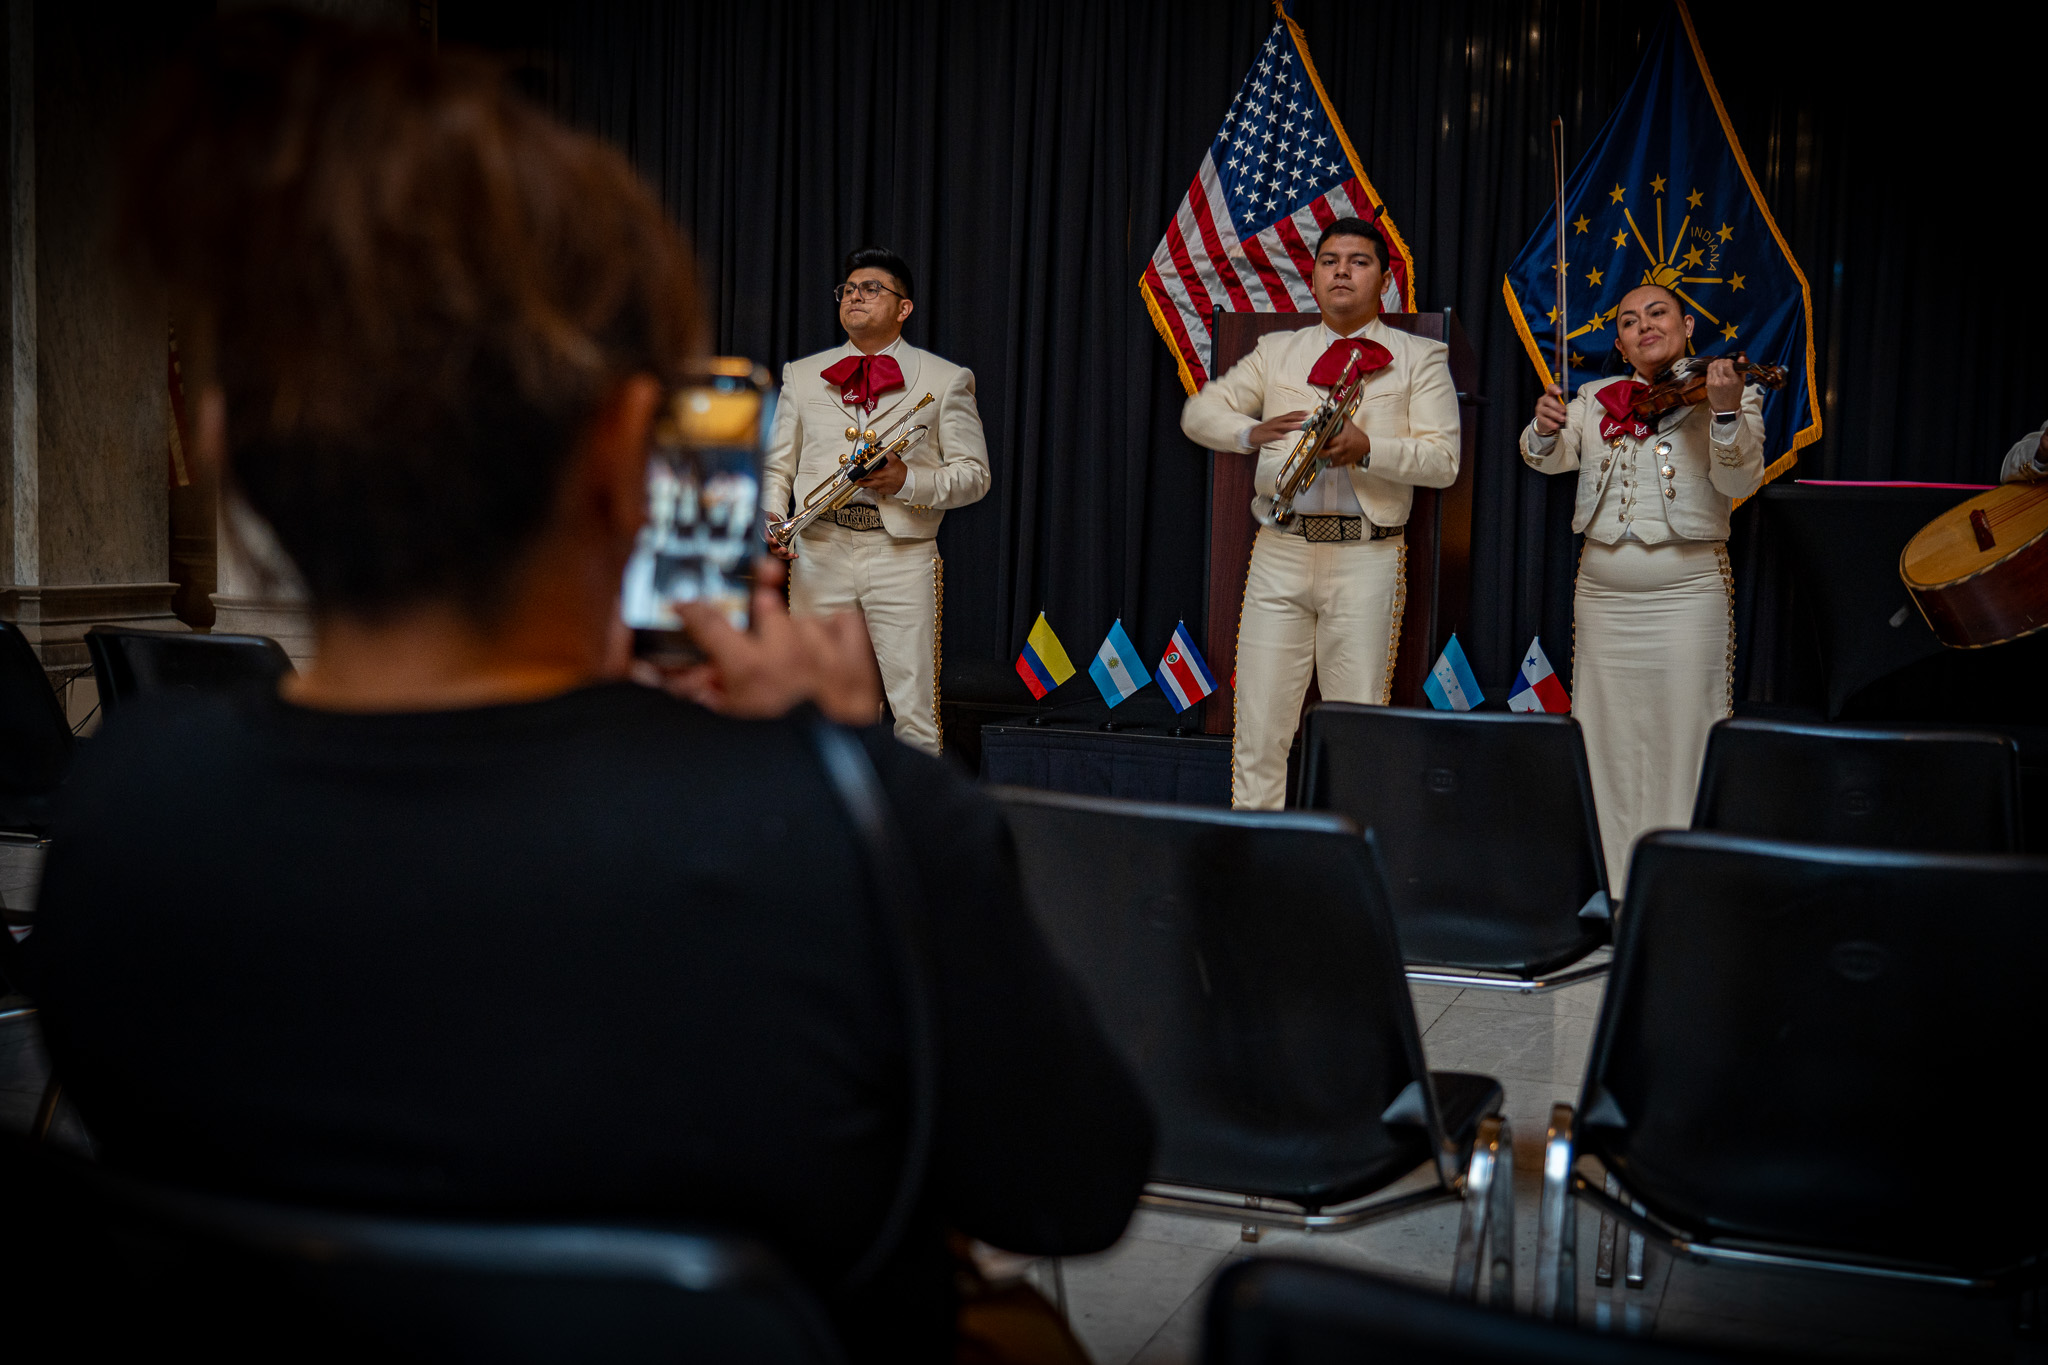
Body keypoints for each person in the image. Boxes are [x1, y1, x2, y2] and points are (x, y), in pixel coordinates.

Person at [29, 16, 1149, 1362]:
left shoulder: (119, 810)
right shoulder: (859, 836)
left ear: (221, 444)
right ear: (640, 453)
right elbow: (1076, 1184)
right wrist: (861, 781)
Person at [1180, 217, 1460, 809]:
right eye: (1330, 260)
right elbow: (1199, 415)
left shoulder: (1420, 356)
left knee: (1355, 731)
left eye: (1358, 261)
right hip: (1280, 552)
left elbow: (1443, 462)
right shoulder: (1277, 351)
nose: (1341, 270)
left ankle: (1342, 872)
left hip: (1368, 555)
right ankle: (1258, 861)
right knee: (1257, 729)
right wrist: (1248, 431)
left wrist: (1370, 449)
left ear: (1383, 279)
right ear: (1312, 277)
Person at [1521, 283, 1765, 896]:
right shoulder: (1593, 396)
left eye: (1657, 313)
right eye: (1629, 320)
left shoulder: (1731, 389)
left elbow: (1740, 478)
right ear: (1620, 340)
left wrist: (1727, 409)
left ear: (1687, 325)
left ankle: (1678, 889)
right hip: (1603, 595)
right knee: (1604, 734)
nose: (1643, 325)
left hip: (1687, 594)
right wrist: (1546, 429)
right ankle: (1614, 885)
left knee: (1686, 732)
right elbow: (1545, 459)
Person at [761, 248, 990, 756]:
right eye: (848, 289)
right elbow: (778, 466)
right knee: (819, 701)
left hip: (901, 554)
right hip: (818, 551)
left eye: (871, 288)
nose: (855, 297)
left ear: (904, 308)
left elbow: (975, 476)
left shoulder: (945, 379)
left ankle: (915, 828)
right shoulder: (801, 374)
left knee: (914, 712)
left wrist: (908, 480)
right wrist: (772, 517)